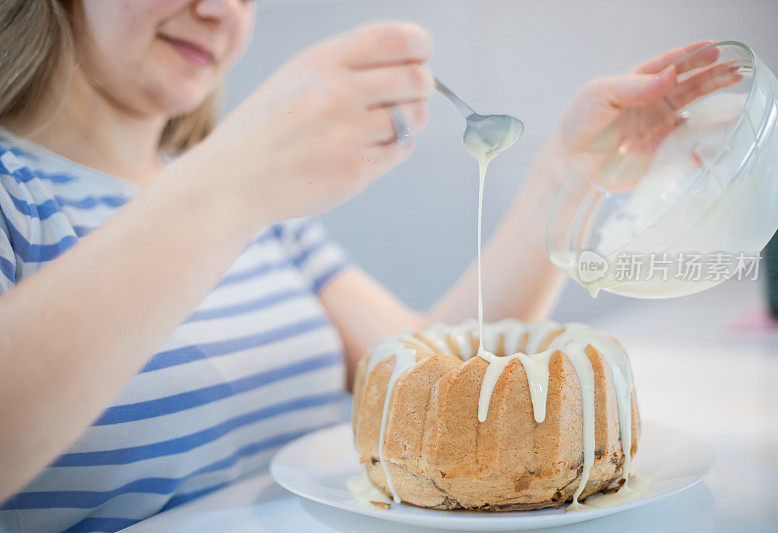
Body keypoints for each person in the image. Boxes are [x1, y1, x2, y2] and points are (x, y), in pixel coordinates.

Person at [0, 1, 729, 531]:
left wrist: (570, 176)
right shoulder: (19, 193)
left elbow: (434, 380)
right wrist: (229, 180)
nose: (221, 10)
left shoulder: (265, 223)